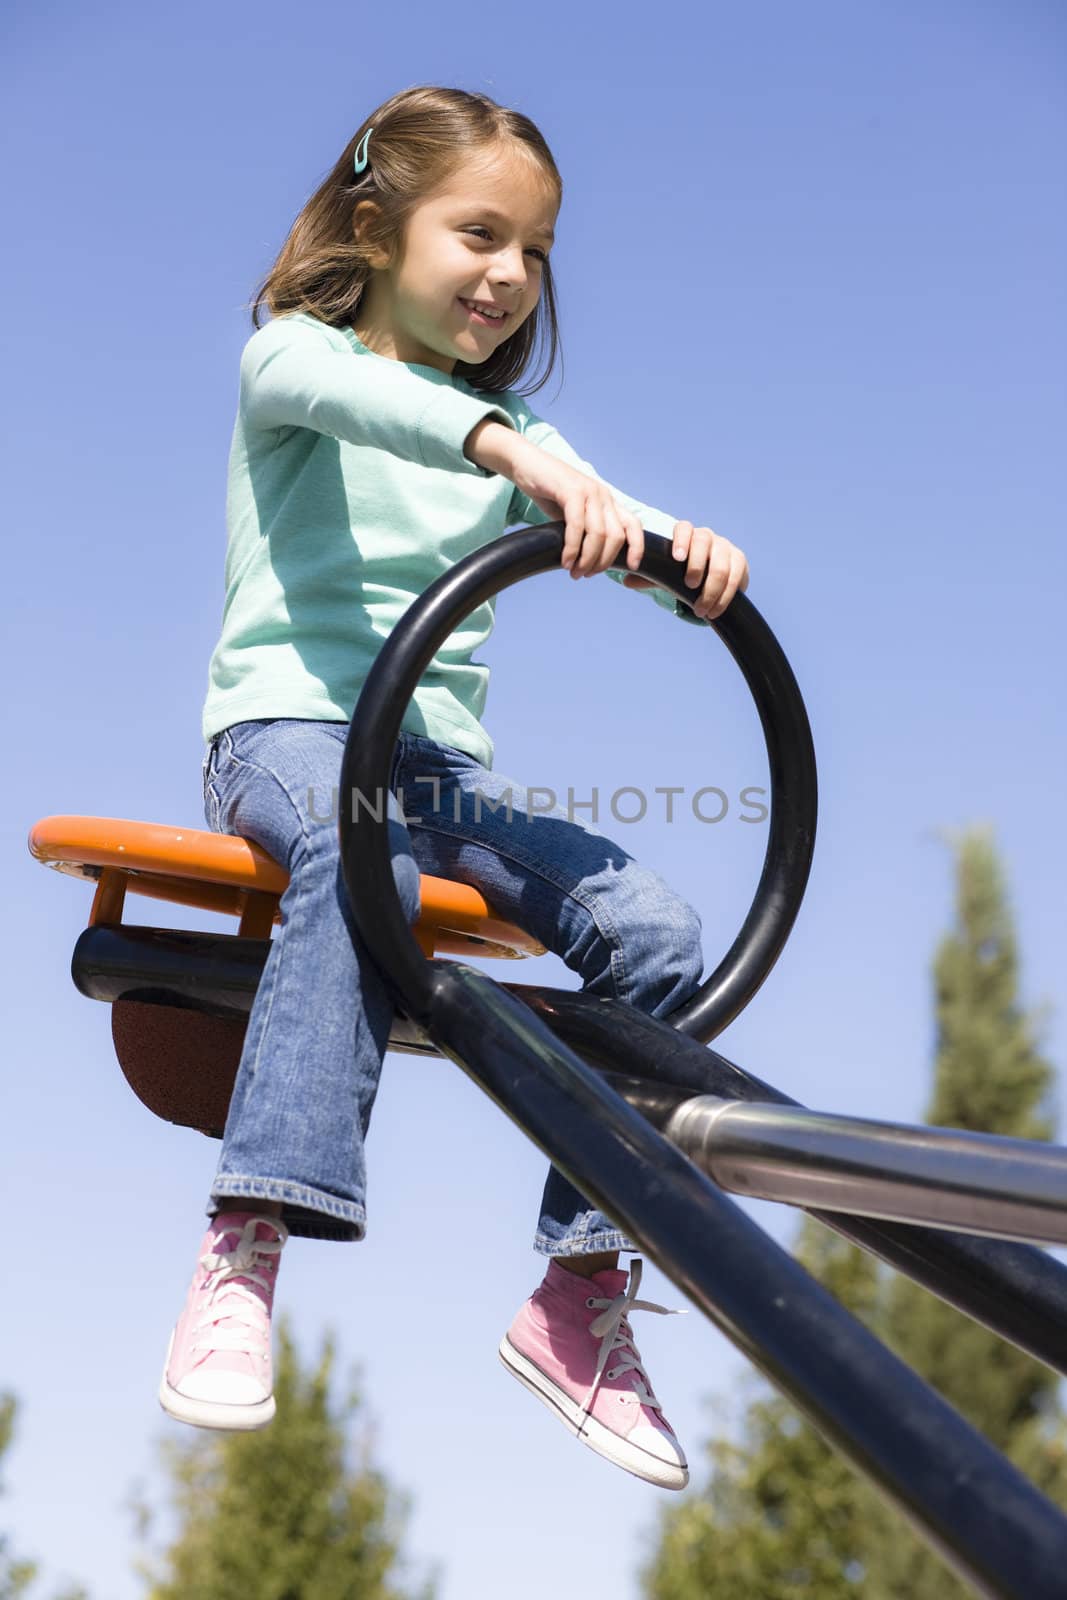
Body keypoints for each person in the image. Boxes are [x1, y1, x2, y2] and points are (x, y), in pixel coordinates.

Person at [160, 84, 749, 1493]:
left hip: (436, 775)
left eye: (536, 251)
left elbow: (621, 523)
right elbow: (375, 401)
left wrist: (694, 563)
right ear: (378, 223)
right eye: (480, 232)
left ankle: (576, 1291)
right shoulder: (293, 364)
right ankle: (247, 1241)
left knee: (656, 926)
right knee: (351, 858)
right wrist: (507, 448)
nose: (510, 275)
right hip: (289, 734)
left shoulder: (513, 441)